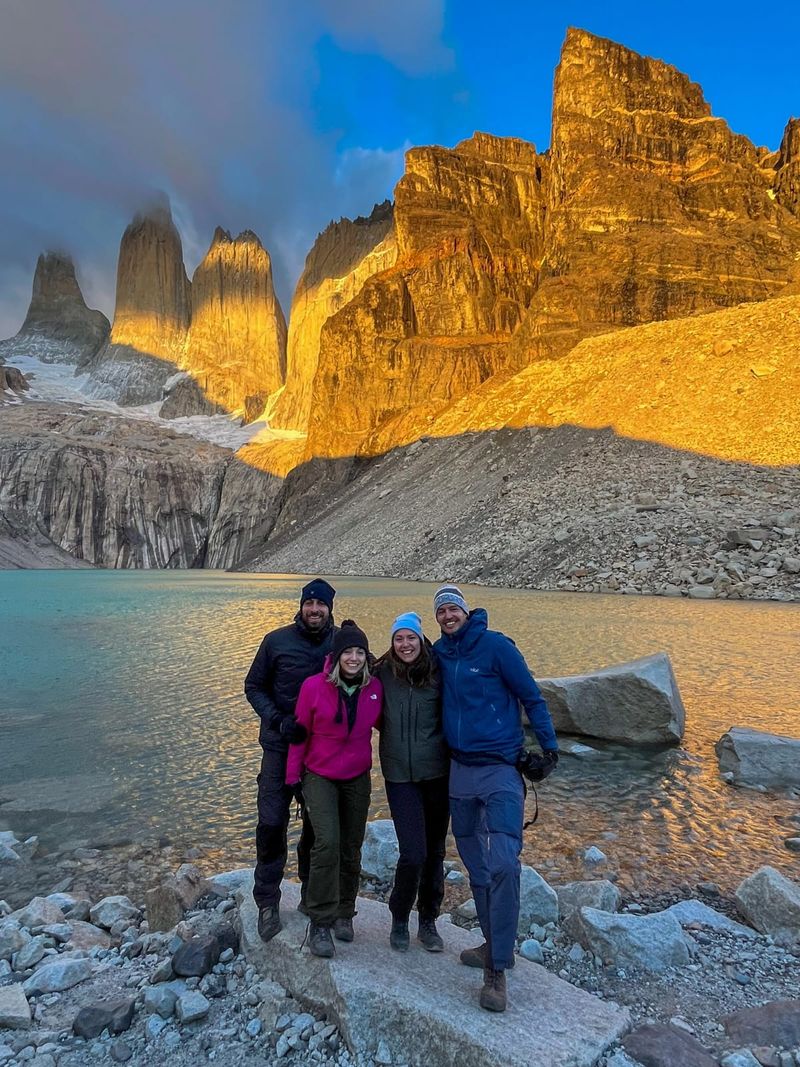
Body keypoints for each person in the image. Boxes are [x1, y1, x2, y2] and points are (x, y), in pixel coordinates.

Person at [432, 583, 558, 1013]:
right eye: (441, 611)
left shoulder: (497, 647)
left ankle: (496, 971)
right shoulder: (439, 653)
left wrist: (549, 751)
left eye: (453, 609)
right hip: (460, 771)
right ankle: (493, 944)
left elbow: (531, 697)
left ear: (465, 612)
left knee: (504, 862)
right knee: (477, 867)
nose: (448, 616)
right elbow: (404, 668)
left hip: (501, 769)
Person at [244, 578, 337, 943]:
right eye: (309, 603)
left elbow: (365, 679)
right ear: (301, 606)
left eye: (320, 604)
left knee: (317, 827)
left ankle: (312, 893)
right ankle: (267, 901)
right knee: (271, 823)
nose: (314, 609)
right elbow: (254, 686)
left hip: (321, 753)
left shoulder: (340, 644)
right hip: (278, 748)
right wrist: (278, 719)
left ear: (329, 608)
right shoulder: (276, 641)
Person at [286, 620, 383, 958]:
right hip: (320, 774)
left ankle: (345, 911)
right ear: (337, 655)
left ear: (366, 657)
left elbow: (390, 721)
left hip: (357, 775)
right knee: (327, 842)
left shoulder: (375, 688)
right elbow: (299, 734)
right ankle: (320, 921)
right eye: (347, 652)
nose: (353, 658)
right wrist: (292, 777)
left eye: (359, 652)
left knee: (351, 845)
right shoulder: (314, 687)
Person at [375, 612, 449, 954]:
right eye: (399, 638)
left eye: (411, 638)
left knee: (435, 852)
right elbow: (347, 676)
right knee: (413, 852)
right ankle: (400, 916)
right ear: (392, 643)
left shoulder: (438, 671)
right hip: (399, 775)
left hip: (437, 773)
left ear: (421, 639)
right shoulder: (381, 672)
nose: (405, 645)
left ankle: (429, 919)